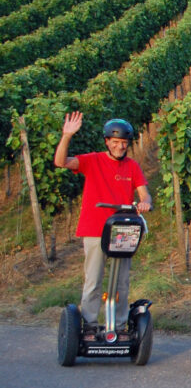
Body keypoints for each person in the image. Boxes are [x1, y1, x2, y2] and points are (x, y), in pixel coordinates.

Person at [53, 112, 152, 332]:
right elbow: (60, 162)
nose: (119, 147)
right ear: (107, 141)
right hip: (95, 228)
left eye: (124, 143)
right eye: (115, 142)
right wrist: (67, 135)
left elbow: (145, 194)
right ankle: (89, 324)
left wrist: (144, 203)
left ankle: (118, 325)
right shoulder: (92, 160)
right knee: (93, 280)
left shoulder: (132, 166)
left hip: (123, 230)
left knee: (122, 283)